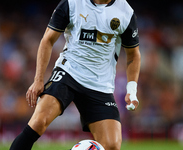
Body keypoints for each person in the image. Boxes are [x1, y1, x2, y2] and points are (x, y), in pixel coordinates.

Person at [9, 0, 140, 149]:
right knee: (38, 122)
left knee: (112, 145)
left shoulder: (125, 11)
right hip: (68, 74)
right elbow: (47, 40)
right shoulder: (71, 3)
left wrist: (132, 90)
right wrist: (38, 80)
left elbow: (133, 54)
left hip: (100, 85)